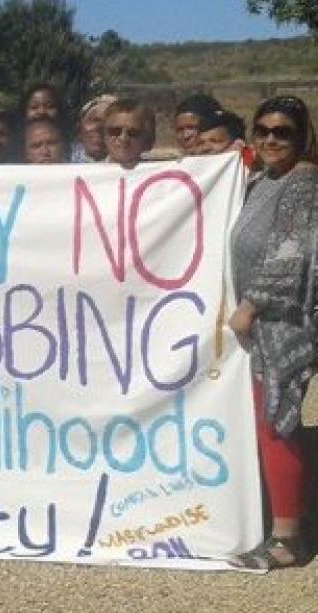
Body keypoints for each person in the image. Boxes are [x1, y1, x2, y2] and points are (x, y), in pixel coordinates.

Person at [229, 95, 318, 570]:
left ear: (302, 136)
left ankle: (289, 539)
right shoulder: (266, 181)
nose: (270, 138)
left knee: (277, 423)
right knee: (267, 420)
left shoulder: (302, 184)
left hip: (282, 321)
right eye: (262, 129)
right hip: (262, 323)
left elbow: (292, 252)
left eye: (282, 131)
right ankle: (277, 523)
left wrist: (250, 305)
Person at [103, 99, 156, 169]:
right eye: (115, 131)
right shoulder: (88, 173)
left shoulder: (163, 176)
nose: (123, 138)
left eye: (133, 133)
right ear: (104, 136)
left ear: (147, 141)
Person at [71, 94, 117, 163]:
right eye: (94, 120)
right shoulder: (61, 159)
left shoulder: (134, 166)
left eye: (109, 122)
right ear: (79, 129)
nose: (99, 127)